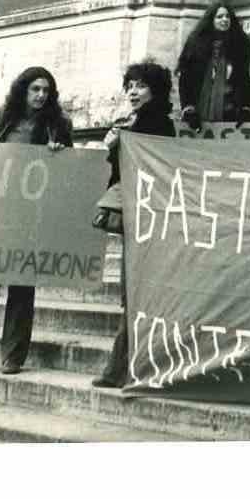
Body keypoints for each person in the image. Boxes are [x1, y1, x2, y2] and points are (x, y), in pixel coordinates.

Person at [0, 66, 74, 375]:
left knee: (22, 286)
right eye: (35, 89)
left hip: (31, 215)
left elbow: (71, 171)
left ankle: (13, 356)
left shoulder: (58, 124)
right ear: (23, 90)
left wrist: (59, 152)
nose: (41, 95)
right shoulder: (2, 117)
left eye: (46, 91)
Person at [92, 60, 177, 390]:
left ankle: (120, 368)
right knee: (132, 294)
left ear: (155, 91)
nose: (132, 91)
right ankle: (123, 366)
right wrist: (113, 145)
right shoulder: (127, 123)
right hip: (134, 217)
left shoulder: (161, 127)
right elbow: (119, 174)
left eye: (140, 85)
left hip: (151, 218)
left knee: (138, 293)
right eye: (129, 85)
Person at [176, 1, 250, 131]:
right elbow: (186, 79)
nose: (224, 20)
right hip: (198, 115)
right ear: (210, 20)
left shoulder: (240, 45)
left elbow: (244, 80)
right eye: (219, 17)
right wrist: (188, 108)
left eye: (227, 16)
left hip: (230, 114)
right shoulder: (196, 44)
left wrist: (245, 108)